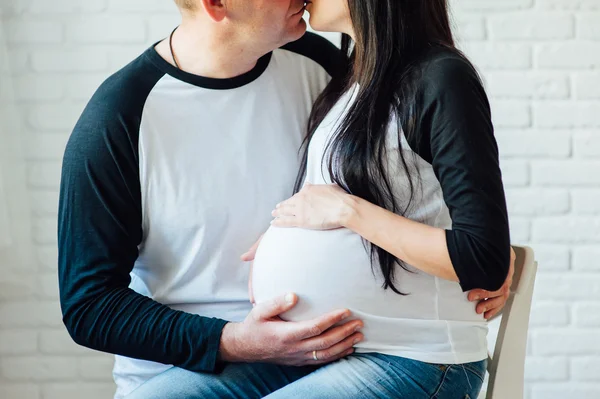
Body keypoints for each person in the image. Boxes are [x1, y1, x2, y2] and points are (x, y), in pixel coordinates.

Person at [57, 0, 514, 398]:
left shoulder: (325, 64)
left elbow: (423, 172)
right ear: (217, 4)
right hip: (218, 356)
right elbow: (89, 305)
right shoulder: (117, 121)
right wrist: (233, 341)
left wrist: (483, 255)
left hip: (365, 344)